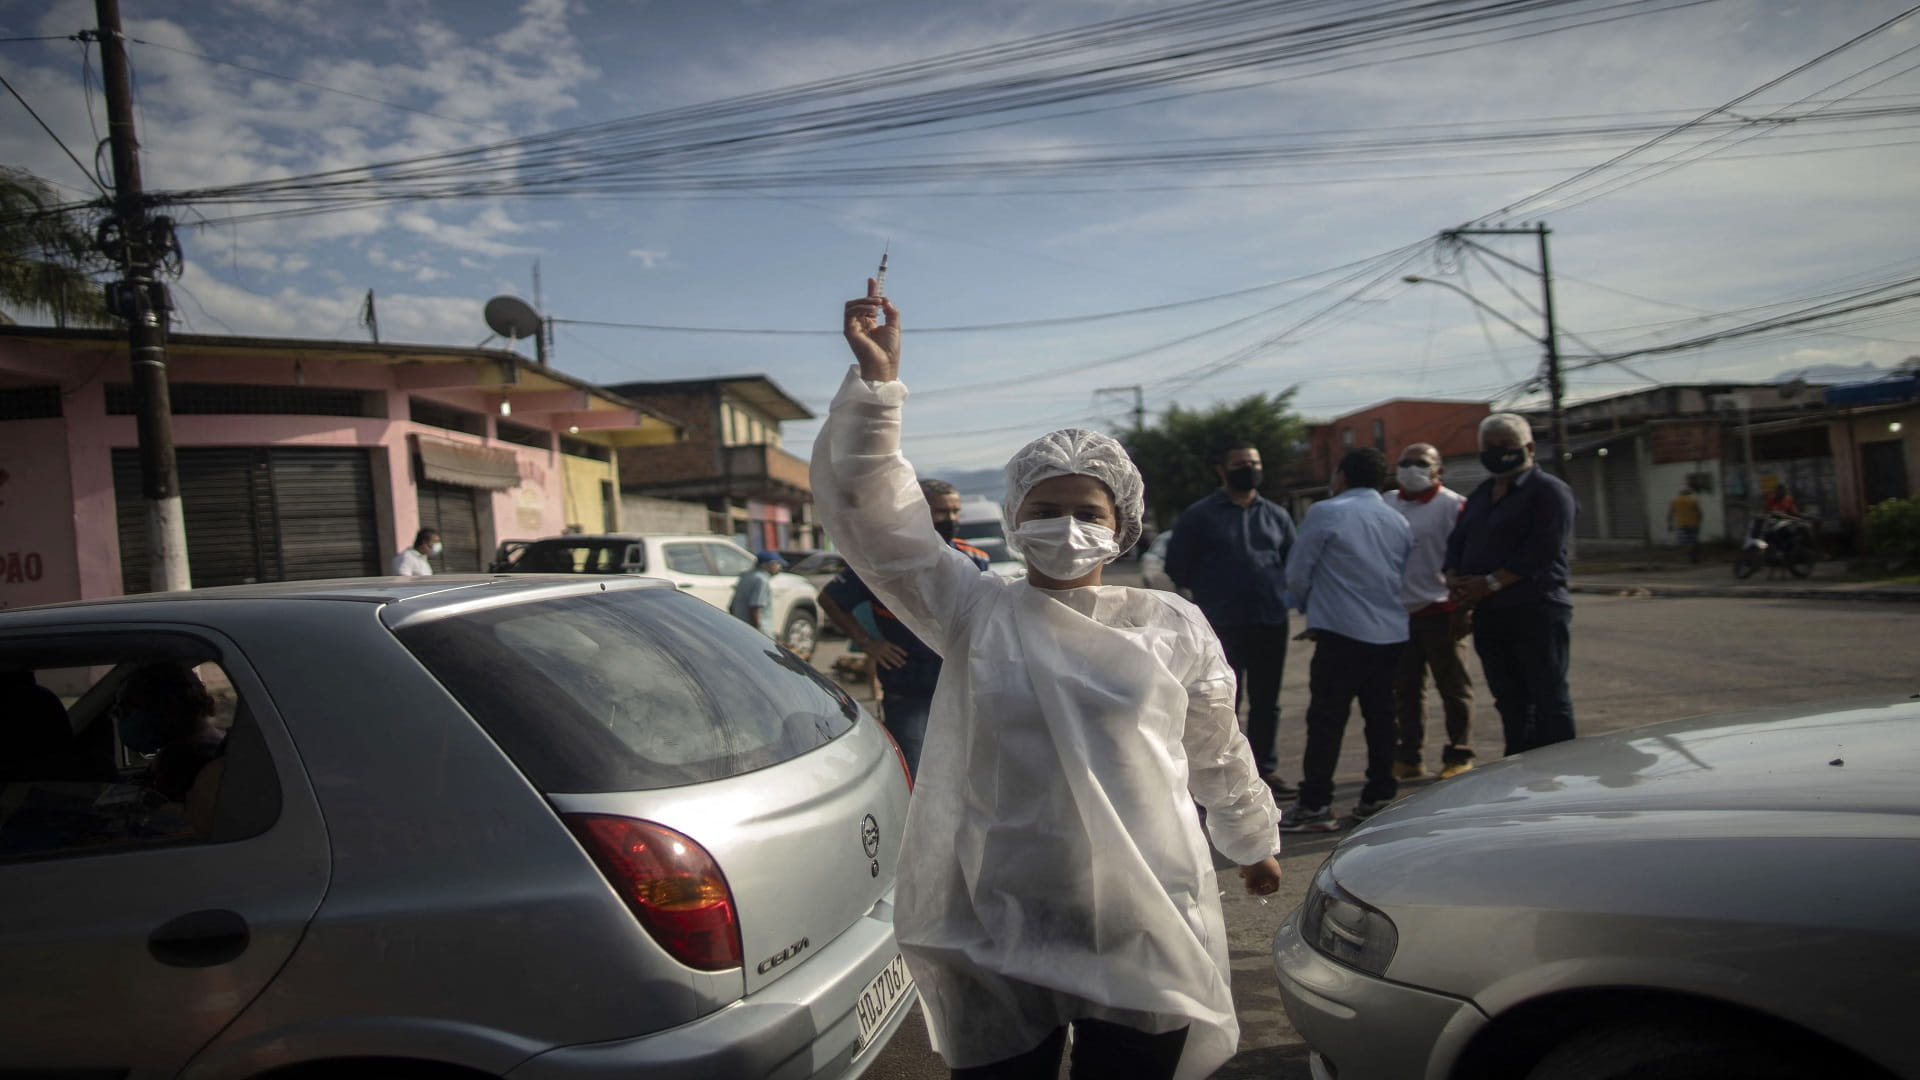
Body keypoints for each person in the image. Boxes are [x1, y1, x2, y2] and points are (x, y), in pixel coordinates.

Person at [813, 280, 1282, 1080]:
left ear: (1122, 523)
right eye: (1046, 506)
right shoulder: (971, 610)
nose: (1066, 527)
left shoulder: (1172, 625)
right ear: (1015, 517)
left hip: (1141, 908)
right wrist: (880, 388)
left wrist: (1252, 839)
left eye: (1087, 510)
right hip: (999, 911)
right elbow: (873, 519)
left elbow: (1217, 744)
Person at [1278, 448, 1412, 833]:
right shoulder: (1396, 519)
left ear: (1341, 476)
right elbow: (1399, 570)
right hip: (1391, 633)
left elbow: (1298, 572)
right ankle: (1379, 795)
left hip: (1341, 633)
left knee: (1326, 721)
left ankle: (1316, 804)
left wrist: (1305, 606)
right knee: (1382, 717)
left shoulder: (1326, 512)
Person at [818, 478, 990, 779]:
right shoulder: (884, 558)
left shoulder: (975, 558)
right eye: (940, 512)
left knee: (966, 772)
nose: (950, 520)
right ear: (917, 511)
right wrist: (868, 642)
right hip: (908, 690)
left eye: (955, 512)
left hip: (962, 686)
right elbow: (830, 600)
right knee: (915, 773)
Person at [1163, 438, 1298, 796]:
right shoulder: (1199, 516)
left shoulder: (1276, 515)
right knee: (1221, 702)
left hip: (1270, 621)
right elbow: (1178, 566)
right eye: (1239, 464)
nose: (1249, 469)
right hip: (1222, 623)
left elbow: (1291, 562)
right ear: (1221, 470)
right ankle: (1223, 778)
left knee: (1268, 702)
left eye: (1253, 462)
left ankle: (1264, 771)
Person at [1444, 413, 1578, 756]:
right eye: (1489, 448)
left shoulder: (1548, 491)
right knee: (1510, 700)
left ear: (1529, 447)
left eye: (1505, 446)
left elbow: (1542, 552)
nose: (1497, 453)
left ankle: (1563, 772)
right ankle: (1520, 769)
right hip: (1490, 614)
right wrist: (1455, 578)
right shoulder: (1481, 495)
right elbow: (1459, 542)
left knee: (1548, 697)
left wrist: (1489, 583)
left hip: (1536, 609)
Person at [1390, 442, 1476, 781]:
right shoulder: (1387, 503)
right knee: (1406, 691)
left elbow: (1468, 557)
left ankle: (1459, 752)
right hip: (1400, 613)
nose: (1412, 469)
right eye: (1405, 462)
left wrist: (1464, 606)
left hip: (1443, 609)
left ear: (1438, 468)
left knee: (1454, 688)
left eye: (1421, 463)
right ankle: (1409, 756)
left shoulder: (1454, 506)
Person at [728, 550, 785, 638]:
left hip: (740, 629)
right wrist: (757, 634)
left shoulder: (746, 576)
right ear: (769, 564)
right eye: (777, 564)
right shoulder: (761, 580)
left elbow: (732, 607)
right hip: (758, 633)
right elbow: (754, 608)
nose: (779, 567)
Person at [1668, 486, 1702, 564]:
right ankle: (1694, 557)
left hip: (1681, 524)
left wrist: (1669, 524)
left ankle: (1690, 555)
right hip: (1693, 524)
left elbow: (1671, 513)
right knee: (1693, 541)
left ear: (1680, 493)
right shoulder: (1693, 500)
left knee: (1684, 541)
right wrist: (1699, 522)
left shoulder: (1675, 501)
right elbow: (1699, 512)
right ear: (1689, 493)